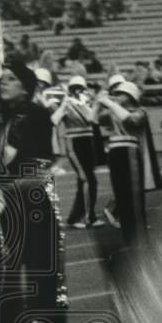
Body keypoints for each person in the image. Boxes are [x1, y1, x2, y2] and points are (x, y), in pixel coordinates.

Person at [0, 58, 68, 323]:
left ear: (25, 86)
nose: (2, 82)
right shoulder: (1, 117)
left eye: (10, 79)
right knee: (6, 290)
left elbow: (8, 159)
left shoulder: (34, 115)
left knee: (46, 284)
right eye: (1, 78)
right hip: (8, 207)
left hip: (34, 204)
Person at [94, 80, 162, 246]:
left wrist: (109, 102)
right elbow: (93, 119)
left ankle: (140, 238)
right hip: (115, 154)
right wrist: (98, 102)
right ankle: (128, 237)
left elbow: (131, 120)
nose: (115, 96)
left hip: (130, 152)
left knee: (134, 197)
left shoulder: (140, 111)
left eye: (120, 94)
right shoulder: (112, 111)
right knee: (121, 195)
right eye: (115, 94)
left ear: (130, 96)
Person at [52, 74, 104, 227]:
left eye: (81, 89)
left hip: (88, 142)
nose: (80, 91)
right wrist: (63, 105)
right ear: (72, 90)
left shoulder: (84, 103)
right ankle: (83, 217)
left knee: (88, 180)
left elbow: (94, 120)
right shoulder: (69, 103)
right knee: (87, 179)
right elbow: (54, 120)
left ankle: (82, 217)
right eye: (77, 89)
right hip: (75, 144)